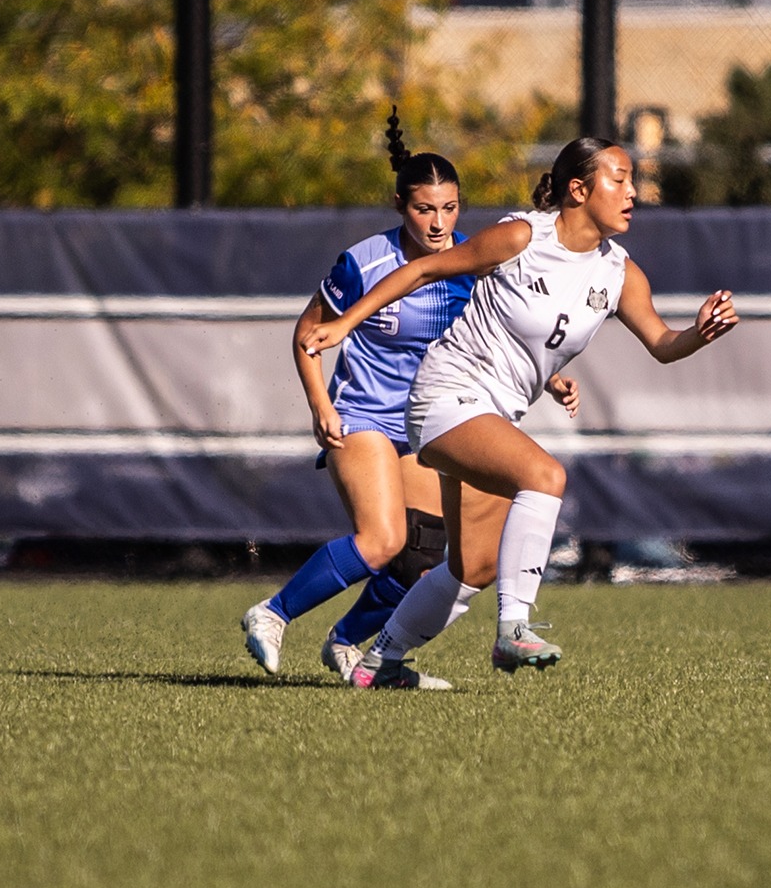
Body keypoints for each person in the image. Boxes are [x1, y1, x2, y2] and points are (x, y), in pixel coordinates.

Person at [302, 138, 737, 681]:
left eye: (632, 181)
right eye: (619, 179)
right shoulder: (523, 237)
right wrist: (344, 323)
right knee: (544, 475)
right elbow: (422, 272)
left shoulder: (619, 273)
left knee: (473, 568)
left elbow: (663, 344)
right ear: (578, 190)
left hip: (493, 415)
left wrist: (700, 332)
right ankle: (514, 629)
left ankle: (379, 662)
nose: (632, 192)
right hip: (444, 394)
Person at [241, 113, 581, 689]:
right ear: (401, 205)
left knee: (425, 555)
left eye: (450, 208)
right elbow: (308, 334)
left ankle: (347, 643)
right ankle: (272, 614)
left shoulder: (469, 262)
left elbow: (502, 333)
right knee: (383, 541)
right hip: (363, 415)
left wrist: (552, 380)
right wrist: (321, 406)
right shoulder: (366, 261)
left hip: (429, 420)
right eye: (425, 209)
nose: (439, 222)